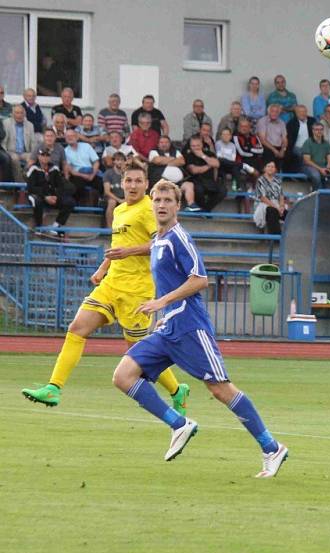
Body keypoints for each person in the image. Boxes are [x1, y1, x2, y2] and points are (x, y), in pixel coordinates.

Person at [111, 179, 287, 475]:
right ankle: (179, 424)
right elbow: (159, 261)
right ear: (151, 203)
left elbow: (199, 280)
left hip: (190, 327)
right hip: (169, 328)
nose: (162, 205)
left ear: (177, 206)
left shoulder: (180, 238)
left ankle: (272, 447)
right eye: (158, 199)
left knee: (220, 389)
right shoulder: (159, 239)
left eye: (168, 200)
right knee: (123, 376)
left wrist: (160, 302)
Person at [21, 162, 189, 413]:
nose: (132, 185)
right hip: (112, 285)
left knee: (138, 350)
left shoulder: (148, 210)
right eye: (128, 180)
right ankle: (54, 387)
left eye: (137, 181)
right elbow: (117, 245)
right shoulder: (120, 210)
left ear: (146, 185)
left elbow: (162, 243)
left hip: (136, 290)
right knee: (77, 328)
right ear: (121, 183)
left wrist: (128, 252)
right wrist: (102, 268)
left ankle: (177, 390)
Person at [26, 147, 75, 231]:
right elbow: (31, 188)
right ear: (38, 156)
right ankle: (39, 227)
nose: (45, 157)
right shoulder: (33, 169)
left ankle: (56, 226)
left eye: (47, 155)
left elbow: (60, 185)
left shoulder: (54, 169)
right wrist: (45, 196)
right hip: (38, 195)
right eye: (43, 155)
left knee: (70, 202)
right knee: (36, 201)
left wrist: (56, 196)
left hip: (51, 196)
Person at [182, 135, 225, 212]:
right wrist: (209, 165)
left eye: (198, 145)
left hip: (210, 181)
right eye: (193, 146)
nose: (195, 148)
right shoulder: (188, 155)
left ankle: (205, 210)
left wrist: (203, 156)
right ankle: (203, 210)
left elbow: (217, 164)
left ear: (202, 144)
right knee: (199, 190)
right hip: (196, 181)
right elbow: (194, 170)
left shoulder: (209, 153)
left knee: (223, 191)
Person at [63, 128, 103, 201]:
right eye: (67, 136)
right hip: (78, 175)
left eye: (72, 135)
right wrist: (85, 176)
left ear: (77, 137)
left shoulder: (86, 146)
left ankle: (101, 202)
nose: (70, 137)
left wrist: (92, 175)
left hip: (92, 172)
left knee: (102, 183)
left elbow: (96, 162)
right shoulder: (65, 151)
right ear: (65, 139)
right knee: (77, 185)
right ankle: (79, 208)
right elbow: (71, 170)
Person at [301, 122, 330, 190]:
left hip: (323, 166)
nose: (319, 131)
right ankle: (316, 192)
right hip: (310, 166)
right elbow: (307, 161)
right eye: (317, 129)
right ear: (313, 131)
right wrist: (320, 169)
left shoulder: (326, 143)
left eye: (321, 129)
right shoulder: (308, 142)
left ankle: (321, 185)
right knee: (316, 176)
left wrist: (328, 167)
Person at [1, 104, 35, 181]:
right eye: (17, 113)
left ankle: (25, 176)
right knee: (15, 159)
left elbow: (33, 143)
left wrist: (34, 154)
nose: (19, 115)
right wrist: (5, 151)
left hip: (24, 152)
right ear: (12, 114)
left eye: (21, 113)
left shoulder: (30, 125)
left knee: (31, 158)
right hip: (10, 151)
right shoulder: (6, 123)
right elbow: (4, 141)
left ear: (24, 114)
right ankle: (21, 185)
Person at [254, 161, 286, 234]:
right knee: (272, 211)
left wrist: (281, 206)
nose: (270, 168)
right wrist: (277, 207)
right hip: (263, 205)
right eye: (268, 166)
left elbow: (281, 195)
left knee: (288, 214)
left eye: (272, 167)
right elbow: (262, 198)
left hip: (276, 204)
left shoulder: (277, 180)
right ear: (264, 168)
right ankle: (277, 237)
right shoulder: (260, 181)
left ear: (275, 169)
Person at [256, 103, 289, 168]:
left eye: (276, 112)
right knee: (269, 154)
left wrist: (283, 150)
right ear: (268, 112)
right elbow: (262, 140)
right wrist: (274, 150)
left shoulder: (281, 122)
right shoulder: (262, 121)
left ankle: (285, 177)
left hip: (279, 147)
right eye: (272, 111)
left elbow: (285, 139)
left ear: (279, 113)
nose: (274, 113)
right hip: (267, 147)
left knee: (290, 155)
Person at [286, 104, 315, 171]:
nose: (302, 113)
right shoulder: (291, 123)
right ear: (296, 113)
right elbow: (289, 140)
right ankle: (303, 171)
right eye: (300, 112)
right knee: (302, 154)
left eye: (304, 111)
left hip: (311, 147)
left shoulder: (312, 121)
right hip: (296, 147)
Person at [102, 152, 127, 227]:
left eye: (122, 160)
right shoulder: (108, 173)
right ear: (114, 161)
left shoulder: (127, 173)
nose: (120, 162)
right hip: (111, 197)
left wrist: (126, 199)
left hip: (124, 197)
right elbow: (107, 191)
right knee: (112, 202)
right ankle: (110, 228)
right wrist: (119, 200)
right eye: (117, 160)